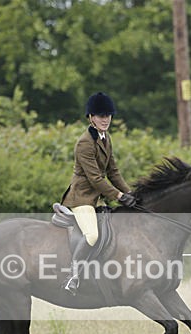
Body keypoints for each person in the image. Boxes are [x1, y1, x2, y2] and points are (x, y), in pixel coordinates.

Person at [61, 92, 137, 294]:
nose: (105, 119)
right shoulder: (84, 143)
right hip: (82, 198)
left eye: (108, 115)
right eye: (100, 116)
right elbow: (95, 179)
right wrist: (119, 197)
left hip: (97, 198)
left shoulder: (106, 138)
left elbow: (113, 172)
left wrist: (131, 193)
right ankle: (73, 276)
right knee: (93, 235)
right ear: (91, 117)